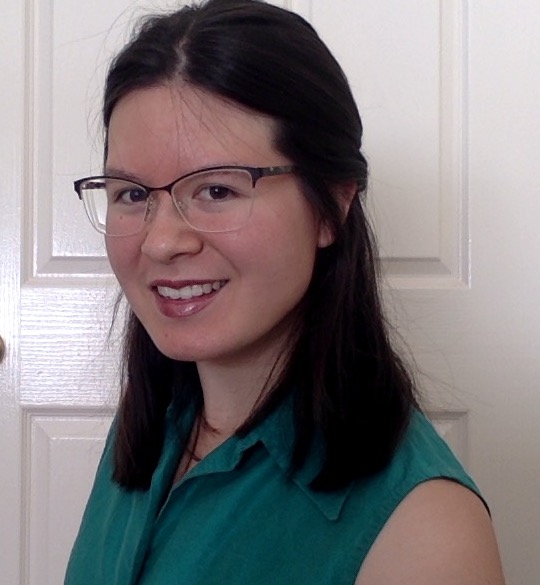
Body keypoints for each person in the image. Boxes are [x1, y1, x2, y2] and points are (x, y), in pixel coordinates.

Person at [65, 0, 506, 583]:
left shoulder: (425, 531)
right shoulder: (148, 426)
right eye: (130, 193)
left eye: (218, 190)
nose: (161, 241)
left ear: (332, 207)